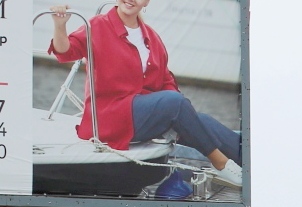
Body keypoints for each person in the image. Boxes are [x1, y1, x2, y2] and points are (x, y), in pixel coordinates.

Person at [48, 1, 244, 187]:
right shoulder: (97, 25)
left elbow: (166, 81)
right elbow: (65, 52)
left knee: (202, 120)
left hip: (142, 116)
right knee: (175, 103)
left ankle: (253, 165)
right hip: (109, 119)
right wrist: (60, 25)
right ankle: (221, 164)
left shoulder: (151, 37)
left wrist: (181, 118)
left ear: (147, 2)